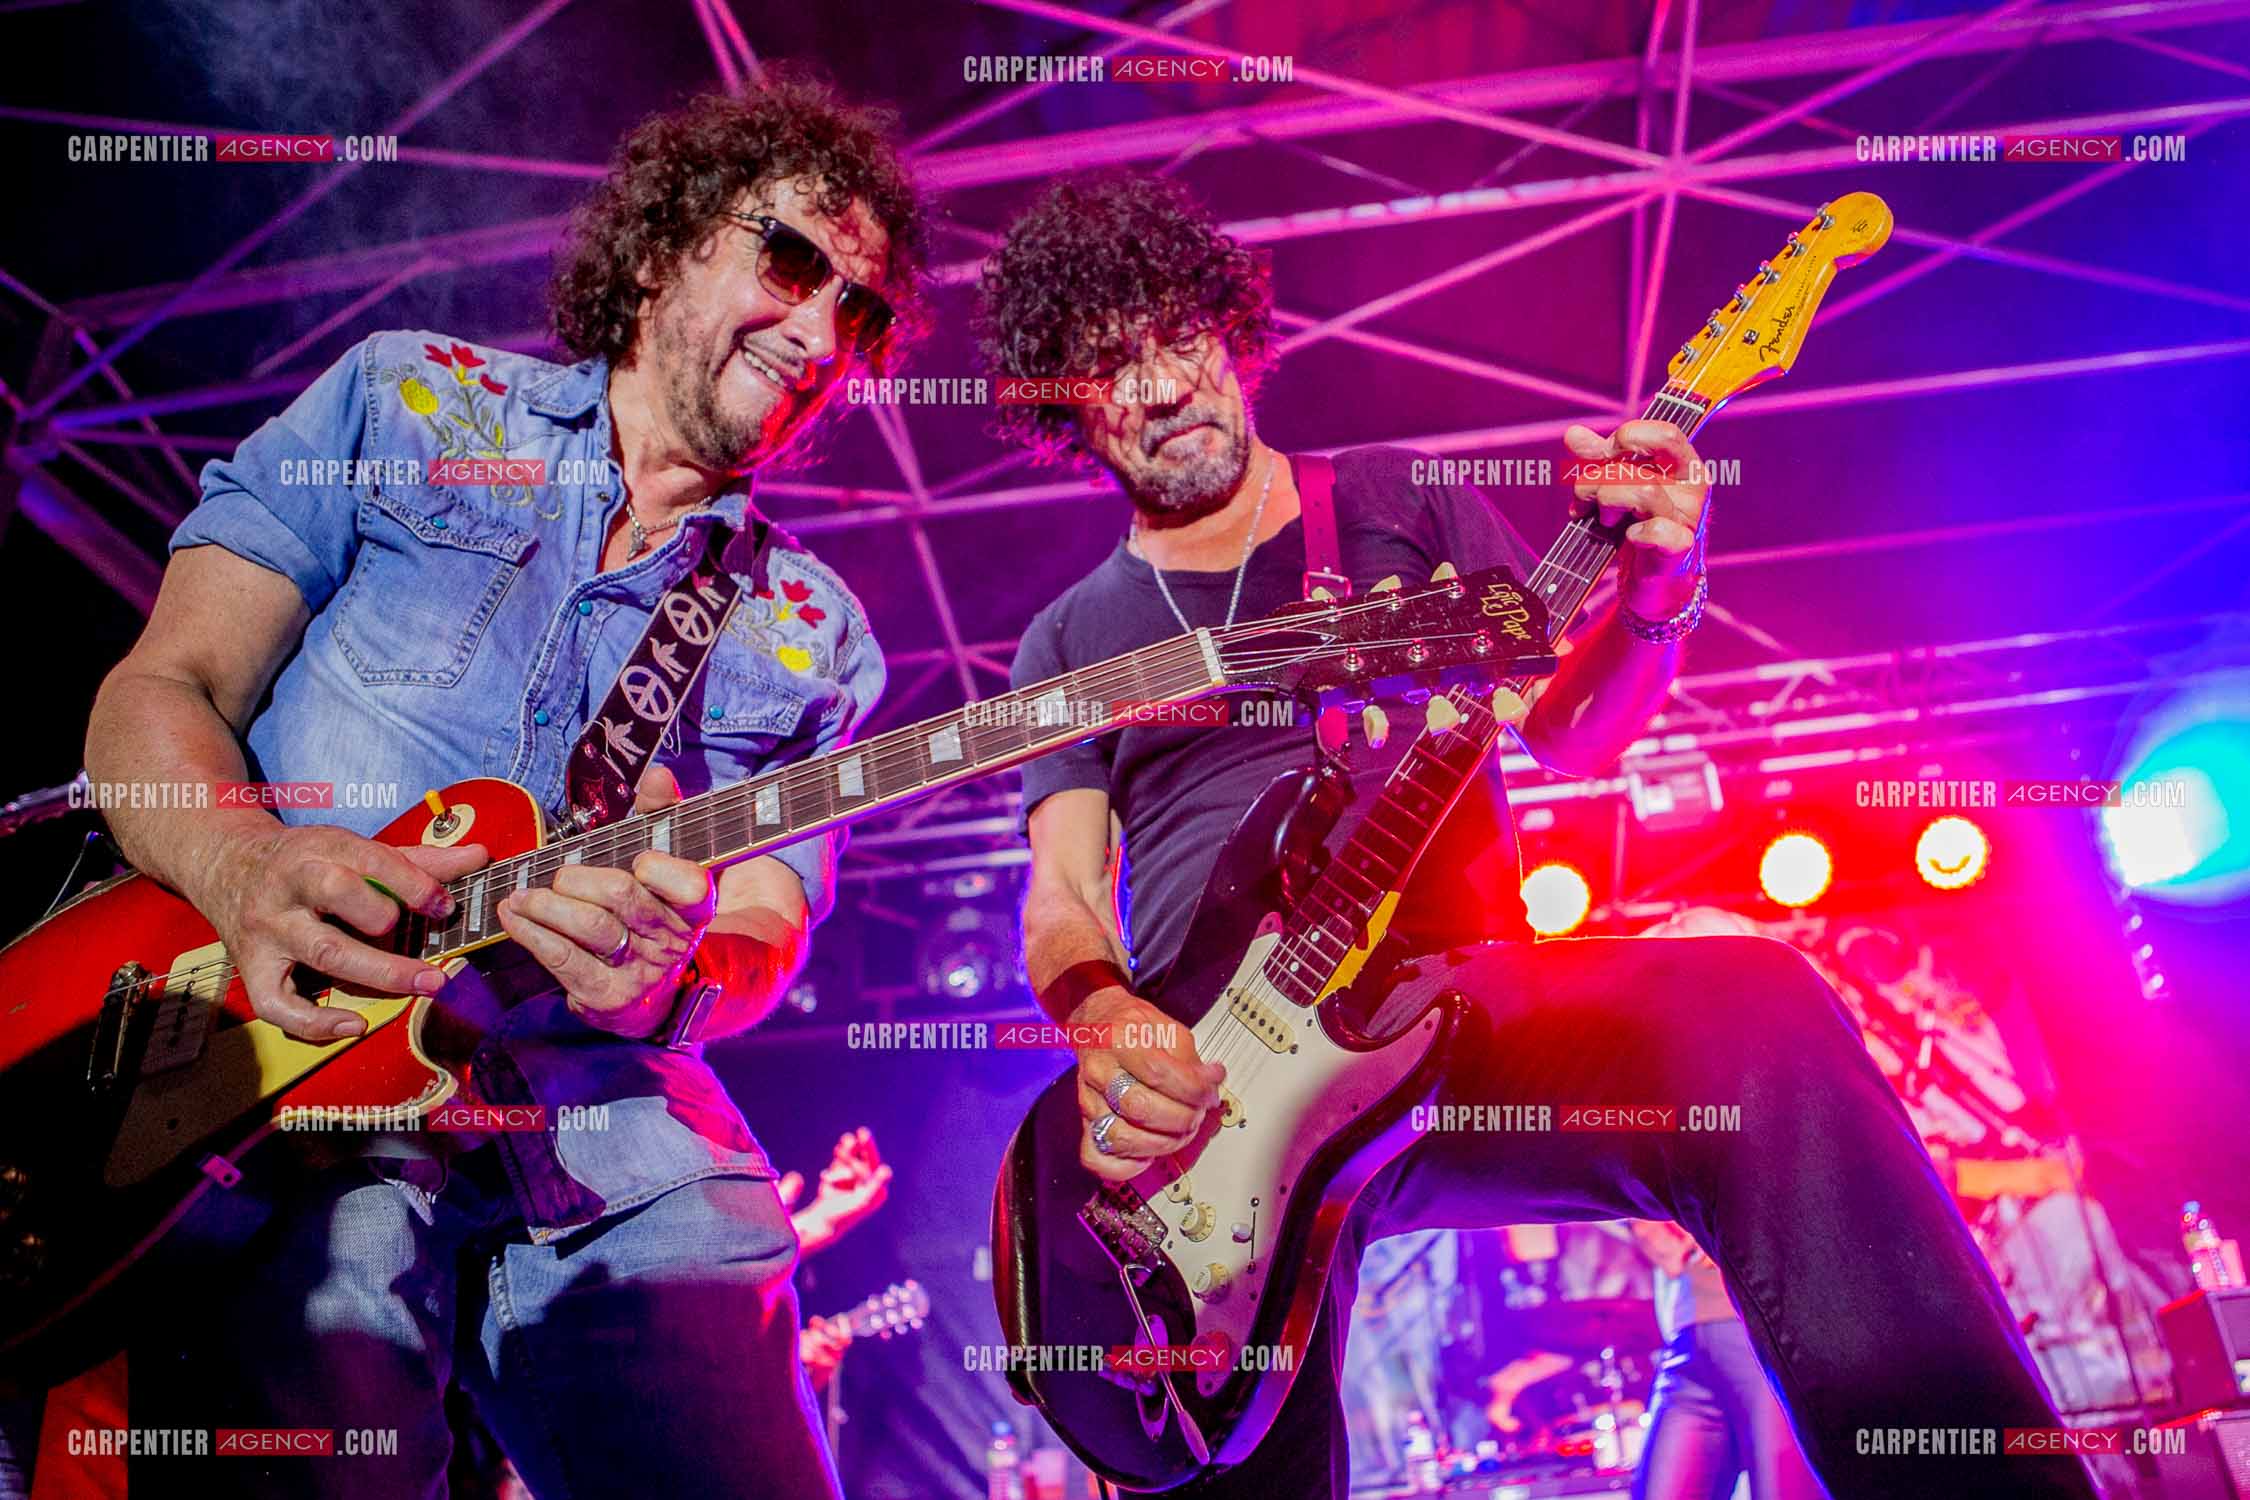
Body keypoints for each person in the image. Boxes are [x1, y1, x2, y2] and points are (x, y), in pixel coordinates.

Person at [975, 171, 2094, 1500]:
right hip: (1196, 1108)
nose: (1162, 386)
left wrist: (1659, 593)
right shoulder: (1065, 640)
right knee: (1217, 1438)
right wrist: (1109, 1021)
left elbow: (1572, 732)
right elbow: (1060, 900)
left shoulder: (1394, 505)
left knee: (1752, 1015)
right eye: (1110, 367)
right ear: (1066, 411)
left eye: (1178, 336)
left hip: (1455, 1024)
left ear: (1229, 330)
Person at [26, 75, 925, 1500]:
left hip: (619, 1138)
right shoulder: (409, 398)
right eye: (792, 260)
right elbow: (159, 694)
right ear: (658, 246)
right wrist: (249, 871)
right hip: (288, 1098)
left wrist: (673, 980)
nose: (821, 330)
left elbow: (762, 929)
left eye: (860, 314)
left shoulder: (811, 625)